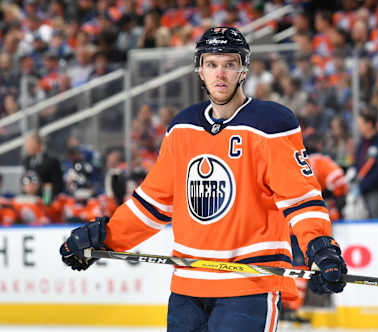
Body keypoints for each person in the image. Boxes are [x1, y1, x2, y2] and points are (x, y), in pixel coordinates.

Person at [59, 27, 347, 331]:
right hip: (188, 288)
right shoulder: (182, 127)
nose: (220, 74)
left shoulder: (272, 124)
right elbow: (152, 205)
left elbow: (301, 199)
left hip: (248, 286)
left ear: (244, 69)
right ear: (200, 69)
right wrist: (103, 239)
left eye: (229, 64)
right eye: (211, 64)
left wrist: (320, 246)